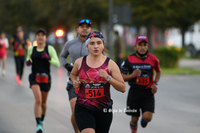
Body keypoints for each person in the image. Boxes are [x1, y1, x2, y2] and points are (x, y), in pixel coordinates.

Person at [70, 31, 126, 133]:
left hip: (104, 110)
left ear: (103, 45)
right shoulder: (79, 62)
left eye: (99, 43)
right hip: (83, 108)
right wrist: (75, 81)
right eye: (92, 43)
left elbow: (123, 88)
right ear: (87, 46)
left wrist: (108, 77)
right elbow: (73, 74)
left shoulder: (110, 64)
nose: (96, 46)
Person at [120, 35, 161, 133]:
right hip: (134, 92)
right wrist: (132, 75)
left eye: (145, 45)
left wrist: (155, 83)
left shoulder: (153, 59)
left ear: (148, 46)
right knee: (134, 119)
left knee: (147, 117)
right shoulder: (129, 60)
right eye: (140, 45)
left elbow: (158, 71)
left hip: (148, 93)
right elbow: (122, 77)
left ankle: (144, 120)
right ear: (135, 47)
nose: (142, 47)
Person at [59, 19, 92, 133]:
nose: (84, 28)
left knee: (89, 111)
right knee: (75, 110)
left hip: (90, 84)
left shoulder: (94, 44)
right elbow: (62, 57)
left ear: (90, 29)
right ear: (77, 29)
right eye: (82, 26)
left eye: (87, 27)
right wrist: (67, 66)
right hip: (73, 83)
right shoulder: (70, 43)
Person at [26, 29, 60, 133]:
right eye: (38, 35)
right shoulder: (31, 49)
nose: (40, 37)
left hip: (46, 78)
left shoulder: (49, 49)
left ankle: (41, 121)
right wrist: (28, 62)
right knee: (38, 100)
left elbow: (57, 64)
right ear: (36, 38)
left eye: (42, 35)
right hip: (34, 77)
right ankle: (38, 125)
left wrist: (48, 58)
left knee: (44, 103)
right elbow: (29, 59)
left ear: (45, 38)